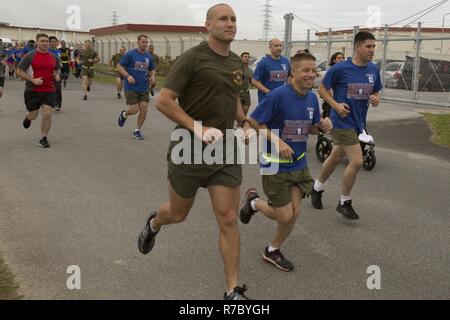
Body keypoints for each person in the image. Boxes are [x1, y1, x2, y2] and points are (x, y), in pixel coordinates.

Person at [136, 3, 253, 300]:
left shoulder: (238, 65)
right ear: (208, 25)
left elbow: (234, 101)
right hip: (188, 147)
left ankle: (232, 291)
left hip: (224, 148)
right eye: (223, 18)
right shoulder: (193, 58)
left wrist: (245, 123)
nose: (230, 23)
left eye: (234, 19)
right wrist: (197, 128)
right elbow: (164, 101)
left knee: (228, 218)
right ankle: (154, 223)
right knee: (177, 214)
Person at [240, 52, 332, 272]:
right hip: (275, 165)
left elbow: (309, 128)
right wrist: (276, 139)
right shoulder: (277, 96)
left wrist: (321, 126)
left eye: (313, 70)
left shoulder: (311, 98)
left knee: (294, 214)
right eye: (306, 70)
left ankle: (272, 250)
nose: (312, 74)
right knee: (284, 215)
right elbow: (254, 121)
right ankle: (253, 203)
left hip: (299, 164)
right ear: (293, 72)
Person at [310, 32, 382, 220]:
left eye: (374, 46)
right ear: (357, 46)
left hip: (359, 122)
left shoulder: (373, 69)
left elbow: (376, 92)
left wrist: (376, 99)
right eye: (368, 46)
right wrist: (335, 105)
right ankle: (344, 202)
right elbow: (321, 89)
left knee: (335, 157)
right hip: (341, 122)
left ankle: (317, 187)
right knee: (357, 161)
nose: (372, 50)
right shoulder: (340, 68)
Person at [17, 33, 60, 148]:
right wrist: (33, 80)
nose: (45, 43)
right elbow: (19, 71)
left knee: (47, 113)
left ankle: (43, 138)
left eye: (46, 41)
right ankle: (28, 117)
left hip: (49, 89)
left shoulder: (54, 57)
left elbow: (56, 70)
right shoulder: (29, 56)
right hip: (32, 90)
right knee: (33, 115)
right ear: (37, 42)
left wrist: (56, 75)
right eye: (42, 41)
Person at [117, 36, 156, 140]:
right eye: (143, 42)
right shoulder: (130, 54)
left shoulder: (149, 56)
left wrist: (152, 77)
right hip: (131, 87)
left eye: (146, 42)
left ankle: (137, 130)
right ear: (138, 42)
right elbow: (119, 66)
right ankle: (124, 114)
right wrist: (127, 76)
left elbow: (152, 69)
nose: (145, 44)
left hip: (144, 87)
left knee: (144, 109)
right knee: (134, 110)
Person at [252, 38, 291, 103]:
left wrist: (287, 89)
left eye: (280, 45)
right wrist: (268, 92)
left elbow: (289, 76)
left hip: (281, 98)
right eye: (276, 46)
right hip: (266, 98)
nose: (278, 48)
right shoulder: (263, 62)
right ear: (270, 47)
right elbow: (254, 81)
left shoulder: (286, 61)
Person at [321, 52, 345, 118]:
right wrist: (330, 97)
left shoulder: (344, 71)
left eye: (343, 58)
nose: (341, 59)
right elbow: (324, 88)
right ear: (334, 60)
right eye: (339, 58)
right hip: (332, 101)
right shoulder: (332, 71)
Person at [49, 37, 63, 112]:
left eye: (55, 42)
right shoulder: (46, 51)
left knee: (57, 88)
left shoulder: (58, 51)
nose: (54, 43)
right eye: (52, 42)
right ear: (49, 42)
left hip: (57, 71)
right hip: (47, 72)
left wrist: (60, 63)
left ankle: (57, 105)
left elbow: (59, 60)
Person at [239, 52, 253, 116]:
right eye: (245, 57)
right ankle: (240, 121)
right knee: (237, 109)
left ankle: (241, 121)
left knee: (246, 107)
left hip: (246, 92)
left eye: (248, 57)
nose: (247, 58)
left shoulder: (250, 70)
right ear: (241, 58)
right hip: (237, 93)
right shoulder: (237, 69)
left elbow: (252, 82)